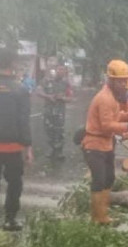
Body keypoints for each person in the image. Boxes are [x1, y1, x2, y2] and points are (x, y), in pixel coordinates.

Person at [81, 59, 128, 224]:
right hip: (94, 145)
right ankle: (97, 217)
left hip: (106, 144)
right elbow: (107, 125)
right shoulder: (105, 98)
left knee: (109, 179)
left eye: (125, 80)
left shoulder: (113, 97)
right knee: (99, 180)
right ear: (111, 79)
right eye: (120, 81)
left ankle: (104, 214)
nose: (123, 84)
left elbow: (116, 116)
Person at [0, 48, 33, 231]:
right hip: (12, 147)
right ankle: (9, 219)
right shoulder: (20, 89)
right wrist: (28, 148)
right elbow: (23, 120)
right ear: (12, 63)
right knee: (14, 183)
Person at [36, 68, 73, 160]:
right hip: (48, 111)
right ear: (56, 71)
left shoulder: (66, 83)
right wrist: (48, 96)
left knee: (59, 131)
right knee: (49, 130)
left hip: (60, 112)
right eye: (59, 70)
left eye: (63, 71)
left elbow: (70, 97)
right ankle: (52, 149)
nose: (61, 72)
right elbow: (38, 91)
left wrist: (62, 98)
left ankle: (59, 151)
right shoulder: (46, 80)